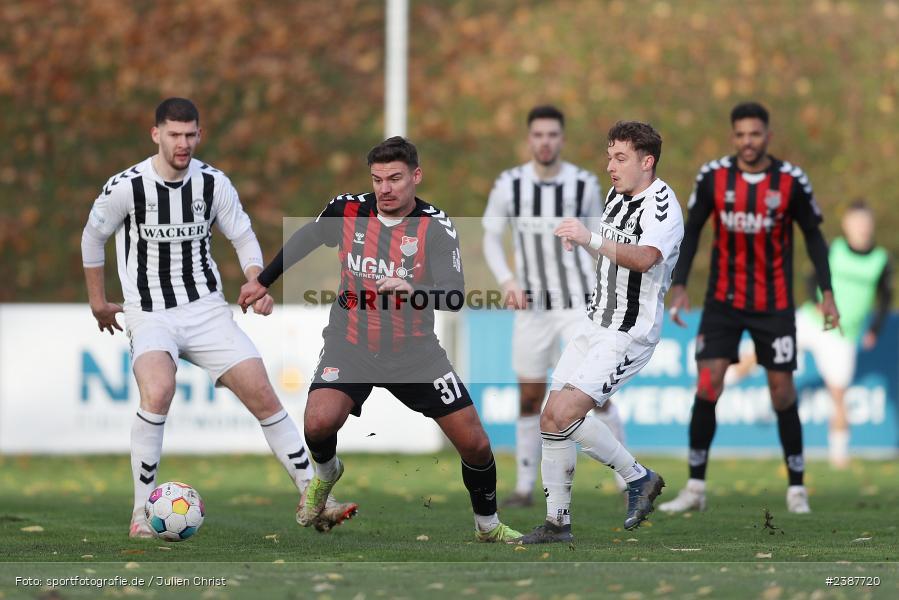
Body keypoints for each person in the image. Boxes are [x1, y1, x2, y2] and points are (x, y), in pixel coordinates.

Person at [81, 98, 357, 538]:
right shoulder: (127, 187)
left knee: (263, 394)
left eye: (191, 134)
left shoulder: (213, 183)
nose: (183, 143)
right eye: (174, 134)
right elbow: (92, 238)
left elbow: (243, 235)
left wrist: (256, 280)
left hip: (206, 310)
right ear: (156, 135)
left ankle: (314, 495)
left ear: (199, 134)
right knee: (159, 390)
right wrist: (99, 302)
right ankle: (140, 514)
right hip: (150, 312)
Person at [238, 136, 523, 542]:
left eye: (395, 178)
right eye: (377, 179)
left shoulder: (435, 227)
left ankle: (488, 527)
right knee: (318, 423)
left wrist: (413, 289)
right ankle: (326, 473)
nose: (385, 189)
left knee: (475, 443)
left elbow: (455, 295)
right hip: (350, 344)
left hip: (416, 354)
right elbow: (307, 237)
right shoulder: (348, 210)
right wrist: (263, 281)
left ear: (416, 176)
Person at [661, 101, 839, 515]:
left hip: (773, 305)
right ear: (733, 137)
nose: (747, 142)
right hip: (723, 302)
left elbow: (814, 237)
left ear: (768, 136)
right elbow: (692, 233)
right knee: (708, 384)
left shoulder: (791, 180)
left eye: (754, 134)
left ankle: (796, 487)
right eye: (740, 134)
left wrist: (826, 292)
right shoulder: (712, 177)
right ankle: (695, 488)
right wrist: (681, 283)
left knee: (781, 392)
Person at [516, 121, 683, 544]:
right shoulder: (616, 195)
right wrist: (585, 241)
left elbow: (645, 258)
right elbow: (610, 246)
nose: (610, 166)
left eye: (620, 157)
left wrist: (589, 238)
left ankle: (638, 477)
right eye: (609, 156)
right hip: (595, 322)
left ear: (647, 162)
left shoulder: (662, 205)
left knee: (568, 414)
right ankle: (557, 523)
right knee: (551, 419)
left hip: (628, 334)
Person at [482, 105, 626, 507]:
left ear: (561, 139)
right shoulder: (510, 184)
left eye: (552, 135)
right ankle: (526, 486)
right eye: (538, 135)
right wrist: (507, 281)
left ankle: (624, 478)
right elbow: (491, 237)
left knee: (595, 393)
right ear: (530, 139)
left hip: (577, 306)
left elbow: (601, 237)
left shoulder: (582, 183)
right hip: (531, 308)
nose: (545, 142)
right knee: (529, 396)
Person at [731, 200, 892, 468]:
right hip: (812, 320)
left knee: (839, 394)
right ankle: (725, 379)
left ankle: (839, 455)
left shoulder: (880, 260)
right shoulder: (834, 249)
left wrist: (874, 329)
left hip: (843, 335)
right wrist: (815, 301)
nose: (861, 228)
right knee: (765, 347)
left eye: (865, 223)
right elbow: (810, 277)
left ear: (871, 225)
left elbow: (885, 298)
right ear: (847, 225)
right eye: (857, 222)